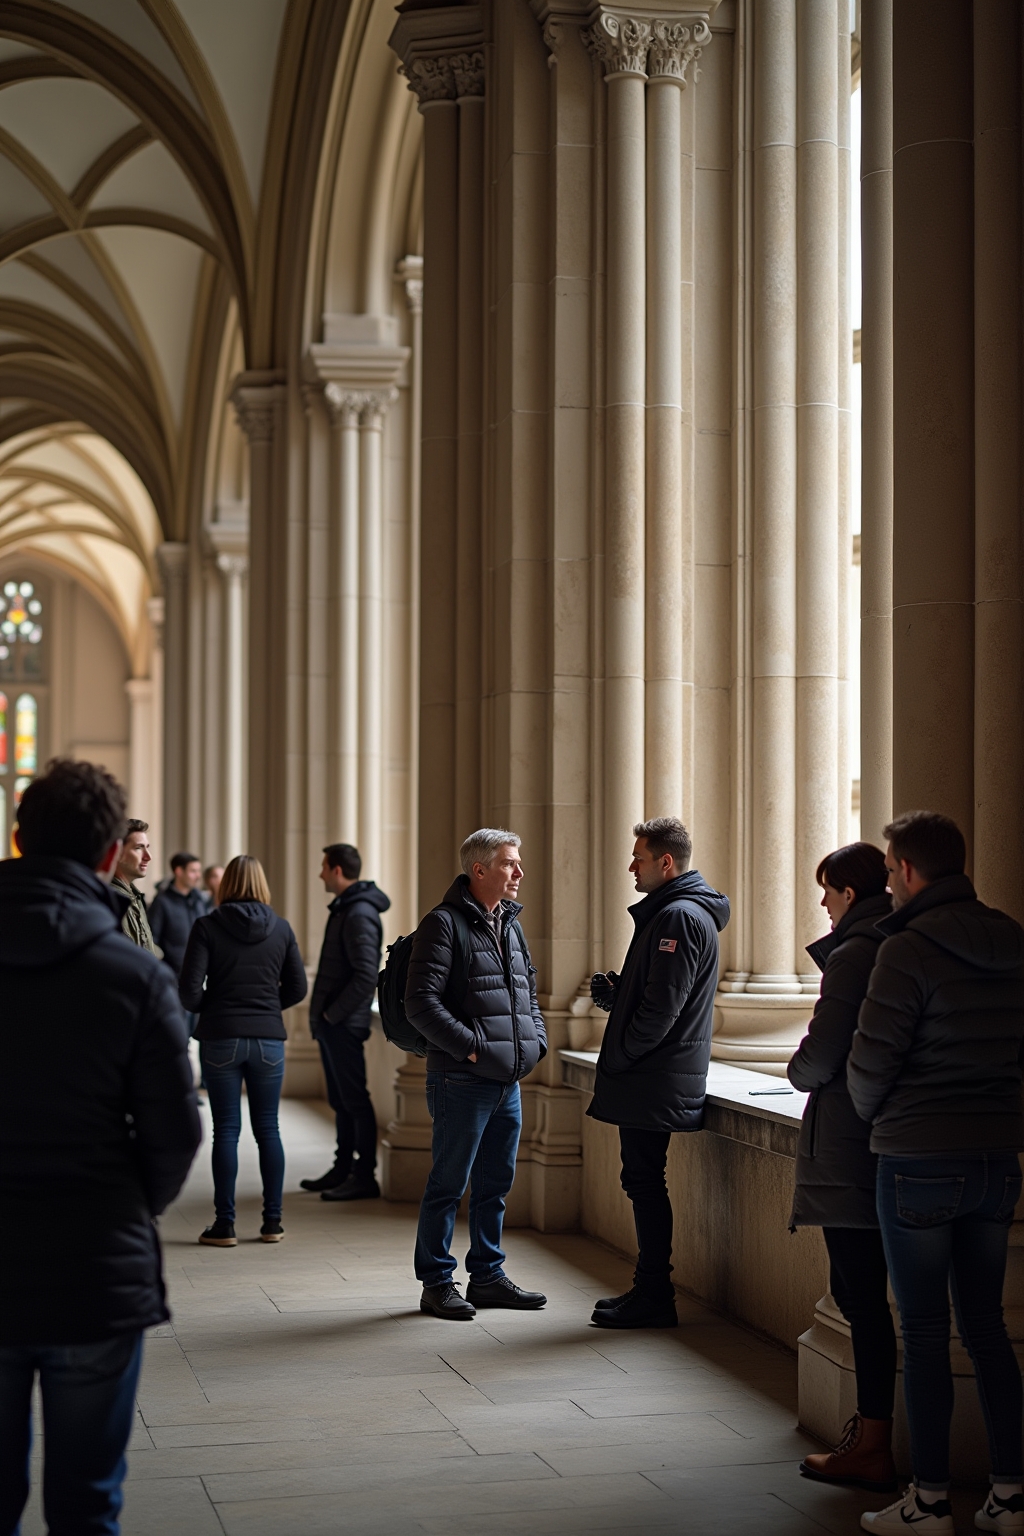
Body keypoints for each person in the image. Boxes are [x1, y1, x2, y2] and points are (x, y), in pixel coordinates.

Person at [0, 759, 200, 1535]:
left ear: (18, 840)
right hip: (93, 1269)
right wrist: (122, 1208)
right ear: (113, 855)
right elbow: (176, 1133)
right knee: (87, 1504)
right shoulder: (133, 975)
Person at [848, 812, 1024, 1535]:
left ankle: (928, 1502)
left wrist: (879, 1115)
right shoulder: (1013, 938)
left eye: (889, 869)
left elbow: (869, 1064)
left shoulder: (907, 950)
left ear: (908, 871)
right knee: (988, 1327)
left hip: (919, 1160)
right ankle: (1010, 1496)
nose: (888, 882)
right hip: (996, 1160)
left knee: (922, 1331)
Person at [587, 816, 730, 1329]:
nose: (632, 866)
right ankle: (650, 1289)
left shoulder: (678, 918)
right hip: (658, 1072)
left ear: (665, 863)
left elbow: (662, 1011)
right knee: (642, 1179)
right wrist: (620, 993)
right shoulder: (678, 914)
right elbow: (656, 994)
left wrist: (622, 1056)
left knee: (645, 1181)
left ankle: (654, 1294)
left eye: (639, 858)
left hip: (653, 1074)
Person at [788, 842, 897, 1493]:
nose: (822, 904)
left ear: (850, 893)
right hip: (891, 1147)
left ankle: (873, 1442)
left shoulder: (857, 953)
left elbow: (817, 1055)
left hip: (853, 1152)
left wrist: (799, 1069)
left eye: (826, 891)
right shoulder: (900, 943)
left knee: (863, 1299)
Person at [405, 829, 548, 1320]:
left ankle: (486, 1276)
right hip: (461, 1079)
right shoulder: (443, 924)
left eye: (518, 862)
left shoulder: (509, 922)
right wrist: (471, 1049)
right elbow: (420, 1003)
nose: (519, 872)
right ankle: (437, 1282)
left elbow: (528, 991)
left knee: (495, 1184)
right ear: (479, 870)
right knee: (449, 1182)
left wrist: (536, 1042)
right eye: (510, 863)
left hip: (506, 1080)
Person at [178, 854, 307, 1246]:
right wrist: (266, 1008)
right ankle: (272, 1223)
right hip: (268, 1039)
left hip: (220, 1038)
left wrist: (217, 1007)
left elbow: (188, 991)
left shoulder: (206, 926)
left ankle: (225, 1224)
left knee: (226, 1132)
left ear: (226, 884)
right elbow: (298, 988)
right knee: (269, 1129)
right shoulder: (281, 929)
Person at [300, 843, 390, 1201]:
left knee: (354, 1100)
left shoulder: (358, 913)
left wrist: (332, 1015)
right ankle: (342, 1169)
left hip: (344, 1023)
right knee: (341, 1099)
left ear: (337, 870)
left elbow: (367, 974)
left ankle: (364, 1175)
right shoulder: (346, 909)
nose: (321, 873)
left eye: (324, 867)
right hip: (335, 1022)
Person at [150, 850, 208, 977]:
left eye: (199, 871)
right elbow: (152, 941)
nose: (198, 876)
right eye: (193, 871)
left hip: (199, 975)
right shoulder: (161, 902)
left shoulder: (199, 900)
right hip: (172, 975)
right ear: (179, 872)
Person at [111, 817, 160, 954]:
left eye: (147, 848)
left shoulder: (135, 897)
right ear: (118, 852)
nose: (148, 856)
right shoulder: (111, 899)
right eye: (138, 848)